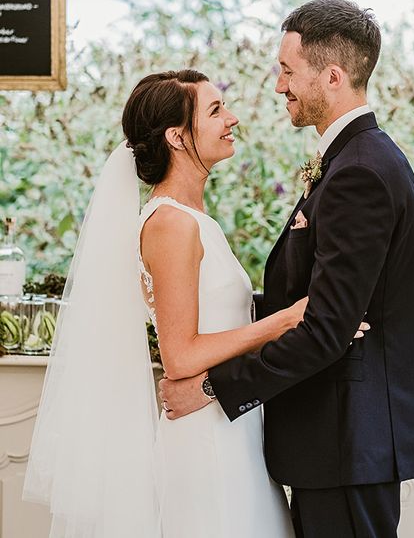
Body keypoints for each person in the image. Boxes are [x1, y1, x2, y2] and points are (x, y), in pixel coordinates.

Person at [24, 69, 368, 537]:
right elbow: (180, 354)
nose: (232, 118)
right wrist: (285, 321)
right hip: (206, 436)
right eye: (214, 110)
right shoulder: (171, 224)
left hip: (233, 423)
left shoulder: (195, 219)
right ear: (176, 137)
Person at [160, 0, 414, 537]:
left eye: (287, 70)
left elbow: (327, 332)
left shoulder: (360, 172)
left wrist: (214, 385)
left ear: (331, 77)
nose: (278, 85)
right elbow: (310, 307)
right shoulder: (351, 161)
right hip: (334, 441)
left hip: (347, 440)